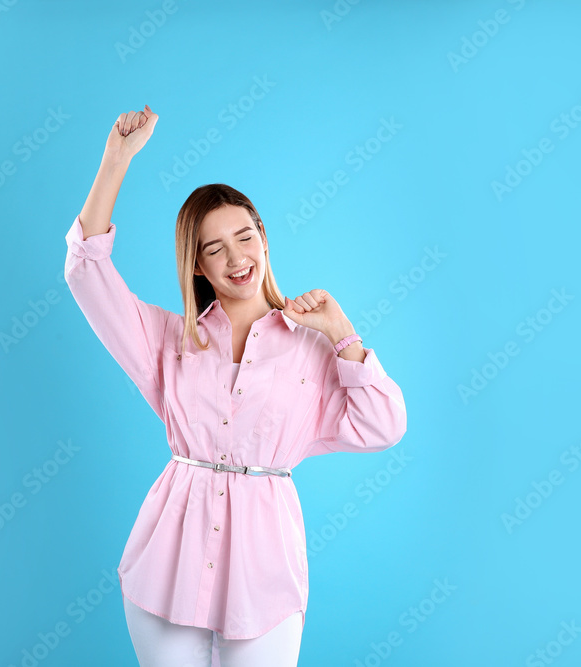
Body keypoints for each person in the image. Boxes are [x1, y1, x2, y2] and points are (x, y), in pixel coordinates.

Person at [63, 104, 408, 667]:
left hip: (264, 575)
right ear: (196, 265)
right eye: (213, 247)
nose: (235, 258)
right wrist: (116, 160)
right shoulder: (171, 339)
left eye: (244, 237)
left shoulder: (314, 345)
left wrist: (344, 334)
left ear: (264, 238)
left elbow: (384, 425)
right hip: (167, 567)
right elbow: (86, 270)